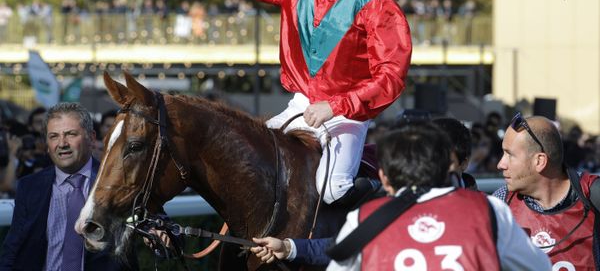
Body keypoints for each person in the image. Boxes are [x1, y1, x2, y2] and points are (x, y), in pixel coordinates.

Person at [204, 0, 412, 206]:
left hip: (348, 115)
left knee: (332, 190)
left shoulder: (376, 5)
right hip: (302, 104)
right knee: (245, 161)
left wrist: (336, 106)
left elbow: (391, 78)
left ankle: (382, 207)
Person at [251, 122, 550, 270]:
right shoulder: (489, 211)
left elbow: (338, 252)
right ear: (445, 166)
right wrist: (290, 247)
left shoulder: (367, 218)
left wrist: (290, 247)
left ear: (384, 176)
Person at [0, 102, 136, 271]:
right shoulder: (30, 187)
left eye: (71, 134)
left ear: (92, 138)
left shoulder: (118, 182)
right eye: (54, 136)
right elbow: (12, 249)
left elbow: (155, 214)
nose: (62, 143)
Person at [494, 113, 600, 270]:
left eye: (510, 155)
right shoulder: (501, 202)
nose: (500, 164)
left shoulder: (592, 193)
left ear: (539, 161)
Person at [432, 117, 478, 189]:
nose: (436, 168)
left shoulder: (483, 200)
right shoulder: (413, 198)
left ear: (464, 164)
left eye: (444, 161)